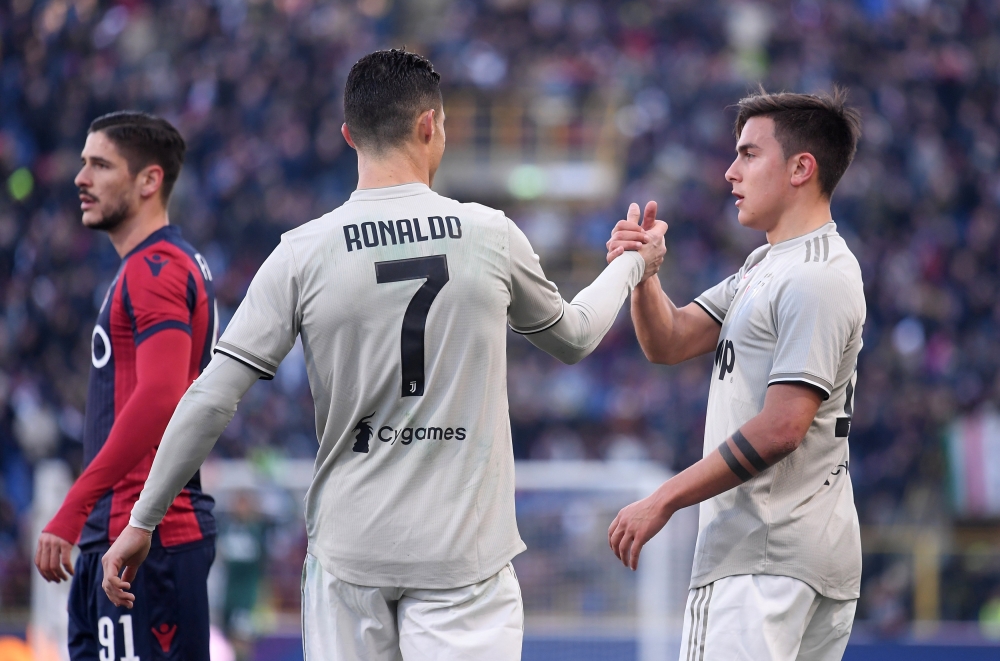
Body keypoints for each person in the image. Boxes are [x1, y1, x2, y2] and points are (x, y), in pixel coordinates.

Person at [100, 49, 667, 660]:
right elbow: (576, 336)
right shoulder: (489, 234)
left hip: (351, 557)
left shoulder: (301, 252)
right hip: (463, 561)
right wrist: (633, 263)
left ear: (349, 135)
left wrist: (142, 520)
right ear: (430, 125)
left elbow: (212, 396)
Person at [606, 89, 864, 661]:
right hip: (799, 556)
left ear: (801, 168)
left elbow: (782, 428)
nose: (730, 172)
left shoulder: (814, 277)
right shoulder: (766, 266)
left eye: (748, 154)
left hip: (762, 554)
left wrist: (666, 498)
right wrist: (646, 273)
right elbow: (669, 340)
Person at [34, 112, 217, 661]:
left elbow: (162, 396)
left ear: (148, 181)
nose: (80, 178)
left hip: (143, 544)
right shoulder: (157, 264)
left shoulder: (155, 267)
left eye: (100, 164)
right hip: (123, 540)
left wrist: (74, 505)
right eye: (83, 162)